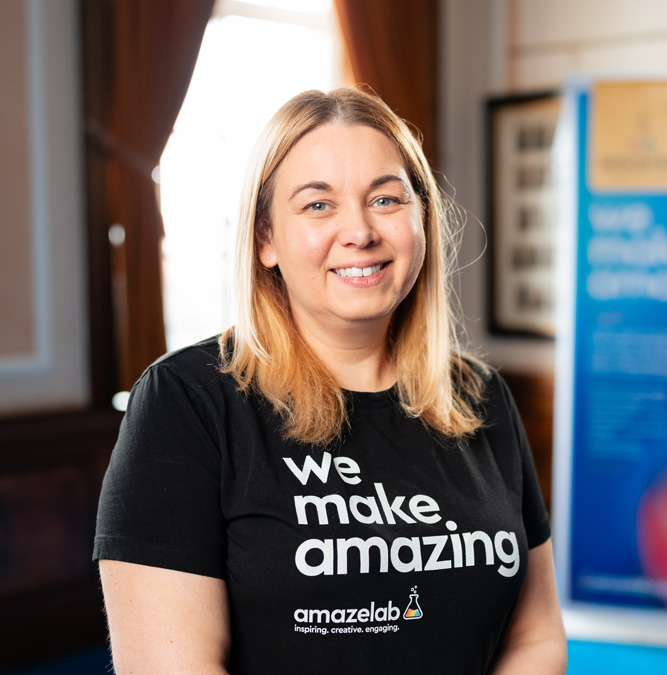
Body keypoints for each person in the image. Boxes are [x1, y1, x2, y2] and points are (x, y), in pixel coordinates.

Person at [94, 87, 566, 674]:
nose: (360, 231)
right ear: (265, 239)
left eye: (387, 199)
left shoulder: (480, 394)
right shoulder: (186, 402)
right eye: (318, 205)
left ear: (422, 219)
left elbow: (536, 638)